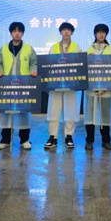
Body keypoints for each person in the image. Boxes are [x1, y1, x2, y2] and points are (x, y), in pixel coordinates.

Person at [0, 22, 38, 150]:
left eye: (19, 31)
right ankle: (5, 140)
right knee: (6, 113)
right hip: (7, 85)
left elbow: (34, 63)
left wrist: (33, 71)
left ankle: (25, 140)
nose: (17, 33)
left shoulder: (29, 48)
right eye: (14, 31)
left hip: (23, 85)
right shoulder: (3, 49)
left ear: (22, 33)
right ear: (11, 33)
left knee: (24, 113)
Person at [45, 22, 81, 150]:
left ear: (72, 32)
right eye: (64, 30)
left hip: (71, 84)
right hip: (56, 83)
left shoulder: (77, 48)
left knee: (71, 110)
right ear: (60, 32)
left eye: (69, 30)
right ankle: (52, 137)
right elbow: (48, 65)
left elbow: (79, 66)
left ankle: (69, 136)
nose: (66, 32)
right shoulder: (54, 47)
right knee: (53, 110)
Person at [84, 24, 111, 151]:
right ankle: (89, 140)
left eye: (103, 32)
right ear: (95, 34)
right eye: (99, 32)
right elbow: (85, 69)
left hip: (106, 89)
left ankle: (106, 140)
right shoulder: (89, 49)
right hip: (91, 89)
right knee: (90, 116)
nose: (101, 34)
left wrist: (106, 87)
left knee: (105, 116)